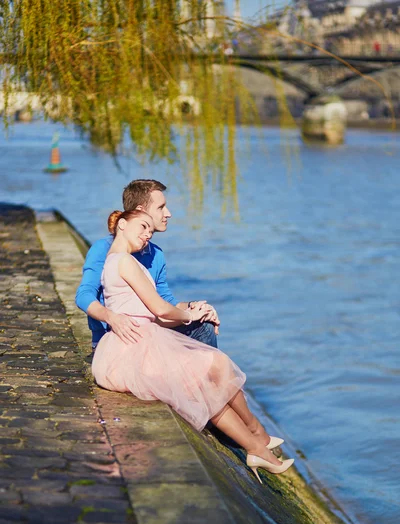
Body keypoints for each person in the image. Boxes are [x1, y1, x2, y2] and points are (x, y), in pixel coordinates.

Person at [91, 208, 294, 481]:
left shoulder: (123, 261)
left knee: (206, 375)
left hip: (140, 339)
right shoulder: (123, 261)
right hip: (129, 349)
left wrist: (192, 309)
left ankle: (256, 445)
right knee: (211, 367)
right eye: (142, 227)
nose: (147, 235)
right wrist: (190, 315)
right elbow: (160, 308)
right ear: (123, 224)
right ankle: (256, 435)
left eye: (150, 231)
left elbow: (154, 315)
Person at [75, 179, 220, 351]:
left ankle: (203, 376)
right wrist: (112, 318)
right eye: (161, 207)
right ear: (140, 211)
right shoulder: (104, 248)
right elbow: (84, 295)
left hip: (150, 329)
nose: (168, 213)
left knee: (204, 325)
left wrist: (197, 308)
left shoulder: (155, 254)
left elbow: (165, 300)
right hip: (117, 335)